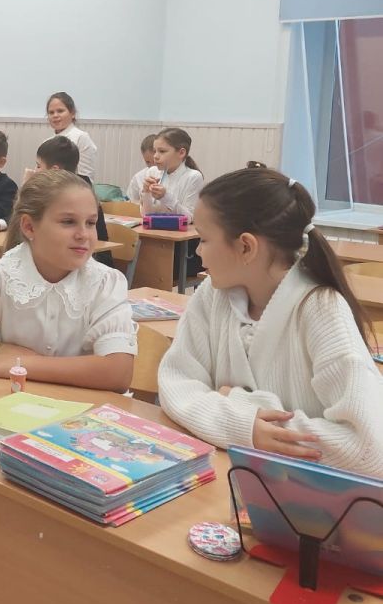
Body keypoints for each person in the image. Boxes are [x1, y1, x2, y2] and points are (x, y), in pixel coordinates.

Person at [158, 168, 383, 477]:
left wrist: (236, 401)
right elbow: (175, 385)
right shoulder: (212, 294)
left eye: (205, 239)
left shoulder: (321, 309)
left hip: (304, 494)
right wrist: (245, 426)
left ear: (246, 247)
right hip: (234, 478)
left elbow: (368, 449)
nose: (197, 251)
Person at [0, 170, 135, 392]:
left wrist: (26, 364)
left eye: (91, 223)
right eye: (68, 222)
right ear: (29, 227)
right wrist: (1, 350)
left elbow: (118, 373)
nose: (84, 234)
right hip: (19, 401)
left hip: (85, 406)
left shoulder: (106, 283)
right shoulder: (0, 274)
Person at [0, 135, 114, 268]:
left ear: (54, 170)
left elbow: (18, 233)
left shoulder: (77, 195)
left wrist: (25, 189)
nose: (35, 171)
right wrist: (0, 223)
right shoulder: (58, 191)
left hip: (90, 261)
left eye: (38, 166)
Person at [139, 127, 202, 221]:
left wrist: (165, 197)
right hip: (153, 229)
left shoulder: (193, 177)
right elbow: (145, 215)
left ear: (181, 153)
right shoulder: (152, 172)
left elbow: (189, 218)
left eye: (162, 151)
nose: (155, 156)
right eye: (155, 151)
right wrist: (146, 193)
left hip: (178, 231)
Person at [45, 92, 97, 179]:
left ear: (72, 113)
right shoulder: (46, 142)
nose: (55, 115)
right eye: (51, 112)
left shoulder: (81, 137)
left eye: (60, 111)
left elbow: (86, 177)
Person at [126, 134, 158, 203]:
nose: (152, 166)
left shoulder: (170, 176)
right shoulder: (138, 178)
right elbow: (130, 202)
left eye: (155, 161)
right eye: (148, 162)